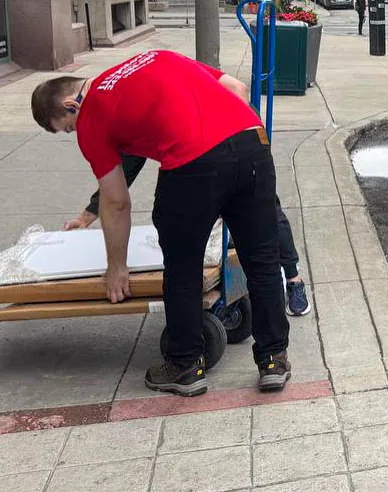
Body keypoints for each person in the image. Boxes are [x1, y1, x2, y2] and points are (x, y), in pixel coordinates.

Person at [31, 50, 292, 397]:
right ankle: (273, 359)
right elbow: (238, 89)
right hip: (252, 142)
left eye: (68, 127)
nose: (74, 131)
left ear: (70, 104)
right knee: (261, 259)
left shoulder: (91, 117)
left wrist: (117, 267)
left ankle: (185, 365)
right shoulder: (157, 57)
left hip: (192, 162)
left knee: (182, 266)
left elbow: (117, 201)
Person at [64, 157, 312, 317]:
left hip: (235, 139)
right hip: (196, 156)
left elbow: (238, 90)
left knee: (265, 209)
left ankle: (293, 278)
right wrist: (88, 215)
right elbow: (126, 167)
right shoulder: (145, 110)